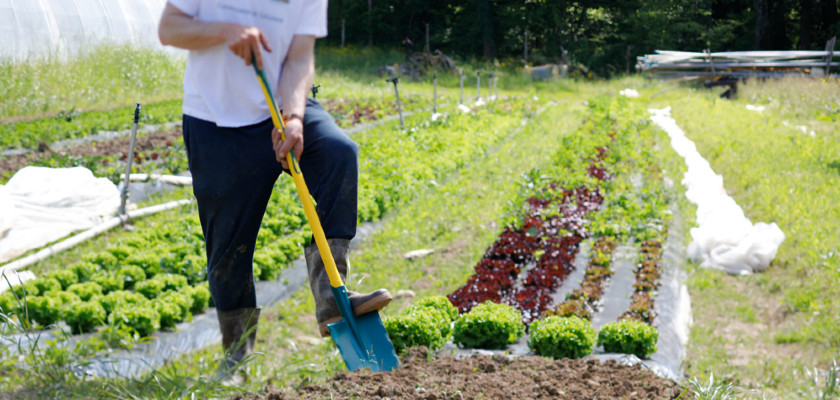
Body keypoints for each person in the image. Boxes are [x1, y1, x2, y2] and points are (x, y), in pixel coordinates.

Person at [157, 0, 392, 382]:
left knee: (338, 152)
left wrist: (295, 117)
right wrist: (225, 31)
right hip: (214, 122)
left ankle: (332, 298)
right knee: (228, 245)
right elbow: (169, 29)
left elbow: (299, 57)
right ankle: (237, 357)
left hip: (281, 111)